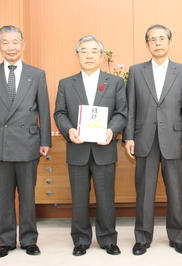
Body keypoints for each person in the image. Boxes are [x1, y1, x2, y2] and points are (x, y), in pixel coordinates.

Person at [0, 25, 51, 258]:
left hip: (28, 142)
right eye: (6, 42)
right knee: (5, 195)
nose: (11, 47)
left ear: (23, 44)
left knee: (28, 194)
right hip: (0, 142)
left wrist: (45, 139)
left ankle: (29, 240)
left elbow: (44, 110)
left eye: (15, 42)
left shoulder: (36, 74)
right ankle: (6, 241)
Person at [123, 24, 182, 255]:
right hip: (144, 138)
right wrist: (128, 137)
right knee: (144, 190)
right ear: (147, 44)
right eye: (152, 39)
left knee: (176, 190)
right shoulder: (136, 71)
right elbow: (130, 107)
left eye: (161, 38)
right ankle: (142, 238)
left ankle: (177, 237)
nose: (157, 43)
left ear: (169, 42)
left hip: (174, 139)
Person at [54, 35, 127, 256]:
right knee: (78, 198)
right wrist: (69, 131)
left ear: (101, 56)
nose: (88, 55)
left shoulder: (115, 82)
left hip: (104, 149)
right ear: (77, 55)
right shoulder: (66, 83)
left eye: (93, 51)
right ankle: (81, 240)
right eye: (83, 51)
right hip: (77, 149)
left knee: (106, 198)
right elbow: (59, 113)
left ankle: (107, 239)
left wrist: (111, 130)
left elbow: (121, 113)